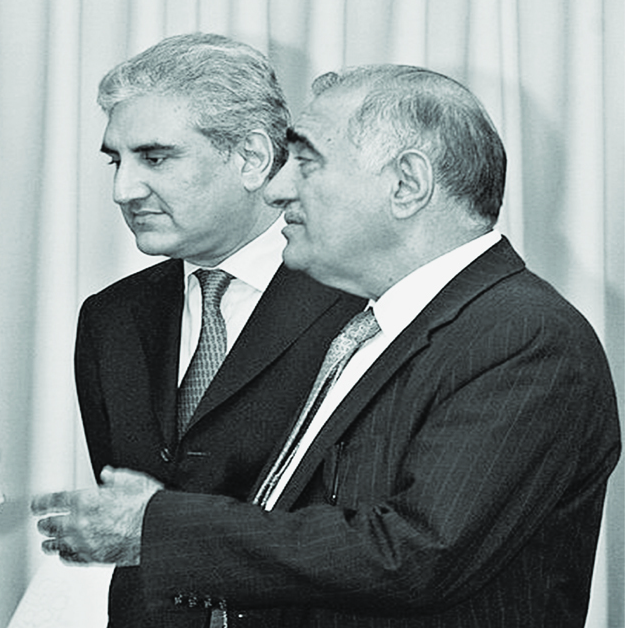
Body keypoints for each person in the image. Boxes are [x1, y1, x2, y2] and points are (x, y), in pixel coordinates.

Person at [34, 65, 621, 627]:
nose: (279, 187)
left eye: (307, 162)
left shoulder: (522, 335)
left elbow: (415, 554)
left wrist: (155, 529)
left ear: (406, 184)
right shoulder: (384, 324)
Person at [55, 33, 364, 626]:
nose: (123, 190)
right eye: (116, 160)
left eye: (155, 157)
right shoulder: (111, 318)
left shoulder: (360, 301)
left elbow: (371, 538)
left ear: (251, 157)